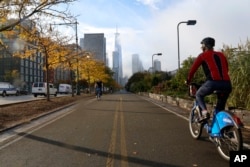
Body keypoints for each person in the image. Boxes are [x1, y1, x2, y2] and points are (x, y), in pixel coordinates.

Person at [186, 37, 232, 122]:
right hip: (227, 84)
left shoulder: (202, 55)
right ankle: (220, 127)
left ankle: (204, 112)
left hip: (212, 83)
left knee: (199, 95)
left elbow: (193, 70)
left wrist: (188, 80)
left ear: (204, 46)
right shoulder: (221, 55)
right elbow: (226, 69)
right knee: (220, 108)